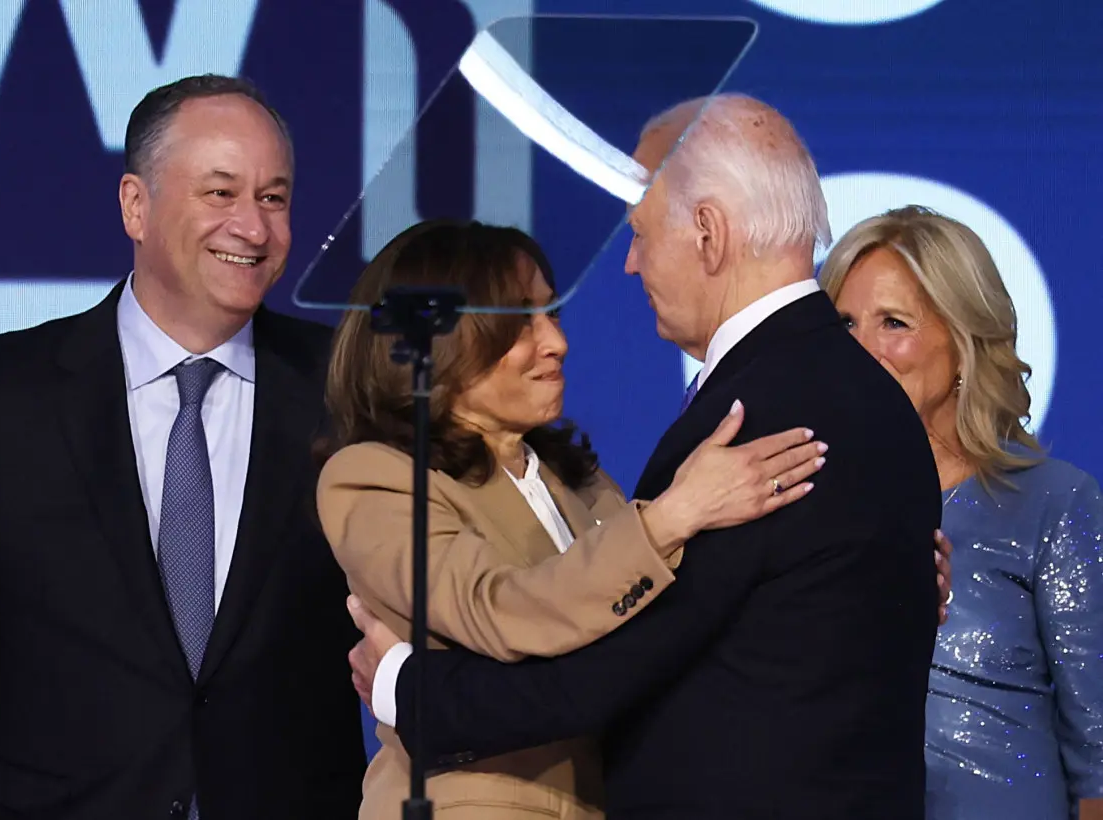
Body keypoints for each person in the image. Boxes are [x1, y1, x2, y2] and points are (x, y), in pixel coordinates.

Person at [344, 94, 954, 819]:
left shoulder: (746, 425)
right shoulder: (872, 398)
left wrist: (405, 689)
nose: (630, 264)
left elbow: (607, 671)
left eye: (640, 232)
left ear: (708, 233)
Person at [0, 75, 366, 819]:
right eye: (220, 193)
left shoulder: (350, 390)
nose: (254, 229)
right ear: (136, 204)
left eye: (273, 198)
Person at [318, 219, 828, 818]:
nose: (555, 343)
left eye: (550, 315)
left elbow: (673, 616)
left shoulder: (577, 479)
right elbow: (496, 610)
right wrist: (671, 518)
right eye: (517, 324)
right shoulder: (373, 477)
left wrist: (854, 566)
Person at [820, 205, 1103, 820]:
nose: (861, 350)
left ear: (965, 339)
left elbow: (1099, 757)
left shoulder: (1054, 505)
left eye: (893, 323)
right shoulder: (802, 508)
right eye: (843, 325)